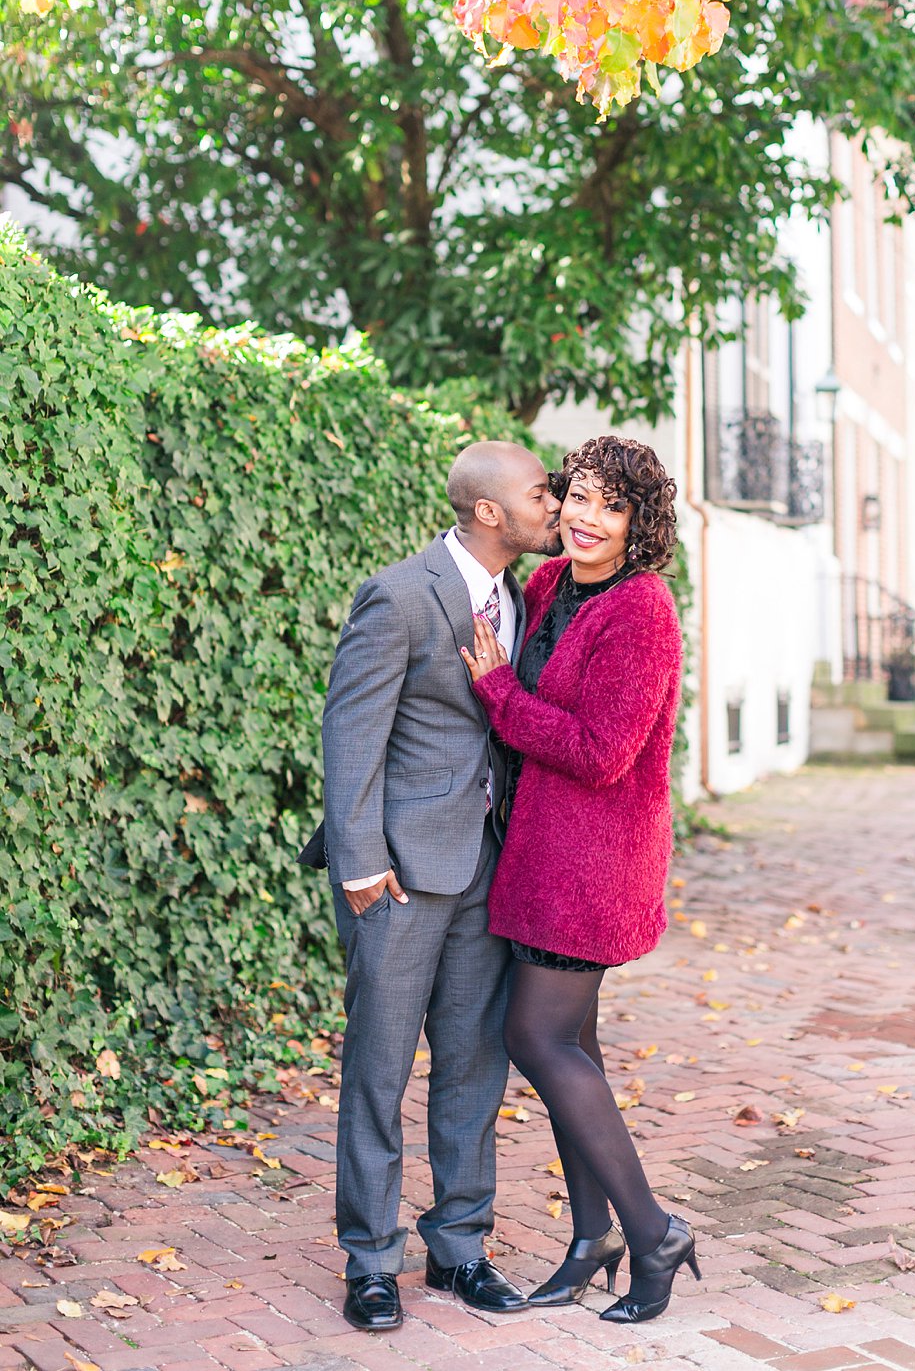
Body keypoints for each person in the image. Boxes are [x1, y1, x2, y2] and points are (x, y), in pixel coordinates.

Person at [319, 440, 561, 1331]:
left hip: (489, 868)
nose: (556, 503)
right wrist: (359, 864)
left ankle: (459, 1246)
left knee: (473, 1066)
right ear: (491, 512)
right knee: (379, 1070)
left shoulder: (527, 597)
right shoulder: (399, 595)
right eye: (541, 492)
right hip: (400, 878)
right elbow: (352, 733)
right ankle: (371, 1261)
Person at [459, 434, 698, 1323]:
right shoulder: (550, 585)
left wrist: (499, 694)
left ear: (639, 525)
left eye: (611, 505)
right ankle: (591, 1238)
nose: (586, 518)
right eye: (579, 497)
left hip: (594, 864)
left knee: (537, 1038)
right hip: (538, 853)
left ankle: (654, 1229)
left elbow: (603, 753)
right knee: (575, 1051)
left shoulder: (643, 612)